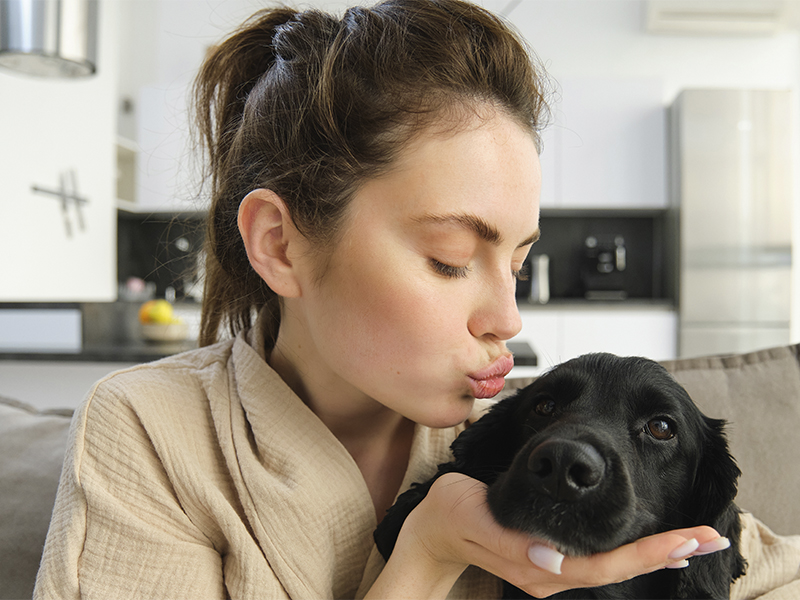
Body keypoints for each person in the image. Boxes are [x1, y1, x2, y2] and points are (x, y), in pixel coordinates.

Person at [34, 1, 761, 598]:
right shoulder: (151, 435)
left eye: (517, 263)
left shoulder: (515, 440)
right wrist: (425, 557)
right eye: (449, 261)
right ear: (281, 244)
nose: (507, 319)